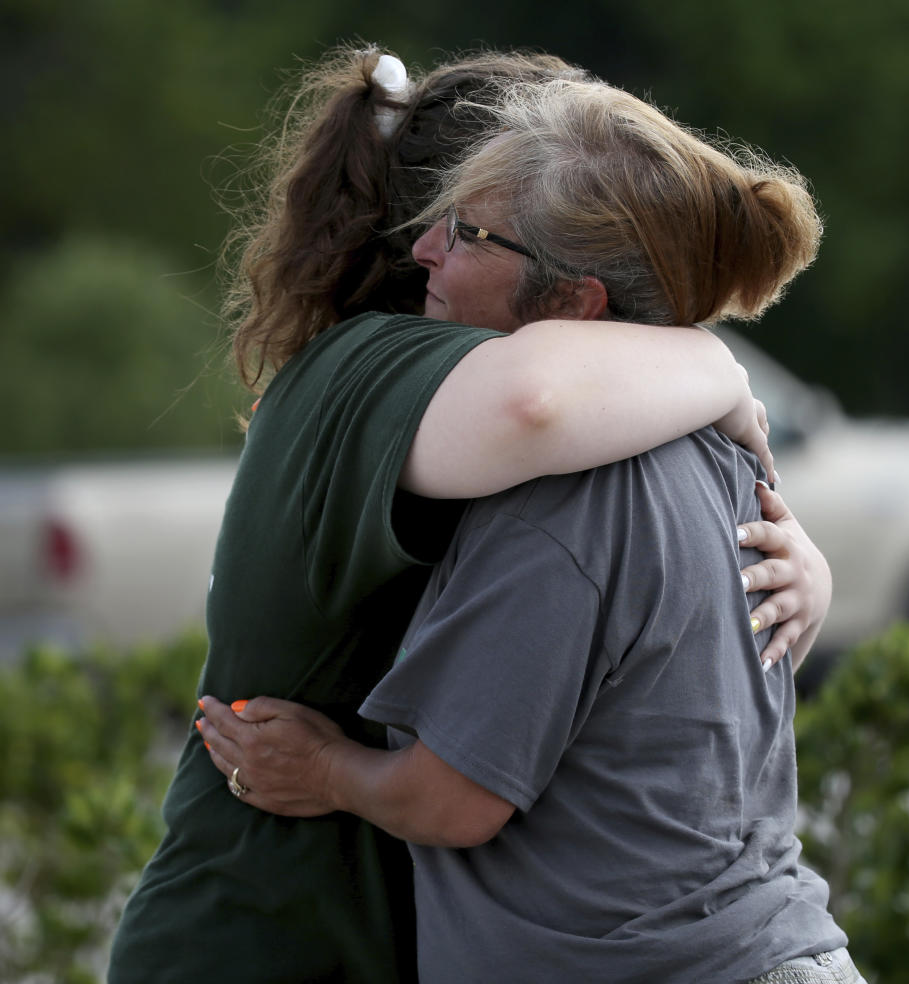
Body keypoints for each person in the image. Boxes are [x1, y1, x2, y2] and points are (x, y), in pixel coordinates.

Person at [108, 49, 828, 984]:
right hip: (268, 936)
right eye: (446, 220)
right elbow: (536, 399)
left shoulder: (621, 441)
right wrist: (716, 364)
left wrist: (801, 566)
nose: (432, 250)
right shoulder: (365, 371)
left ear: (577, 299)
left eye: (471, 228)